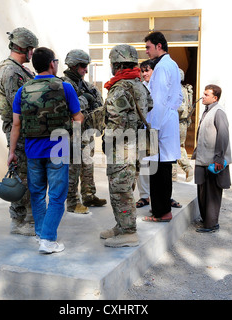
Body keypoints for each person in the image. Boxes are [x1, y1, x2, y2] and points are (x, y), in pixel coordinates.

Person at [8, 47, 83, 253]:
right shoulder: (66, 87)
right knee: (58, 195)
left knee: (38, 193)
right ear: (52, 64)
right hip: (58, 147)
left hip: (33, 149)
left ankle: (41, 233)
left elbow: (16, 124)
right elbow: (78, 119)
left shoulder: (22, 90)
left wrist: (11, 152)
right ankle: (48, 240)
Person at [100, 44, 153, 247]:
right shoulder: (139, 84)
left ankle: (128, 232)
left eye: (113, 63)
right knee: (126, 187)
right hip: (135, 143)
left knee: (120, 188)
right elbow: (150, 104)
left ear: (118, 64)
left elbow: (115, 120)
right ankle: (121, 226)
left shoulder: (120, 87)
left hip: (121, 146)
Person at [0, 27, 38, 236]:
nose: (33, 54)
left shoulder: (21, 69)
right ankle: (20, 220)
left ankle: (25, 217)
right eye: (31, 49)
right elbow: (18, 106)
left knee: (27, 174)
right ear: (24, 48)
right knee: (21, 175)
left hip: (27, 130)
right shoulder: (10, 71)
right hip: (18, 130)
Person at [142, 31, 182, 222]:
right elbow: (178, 97)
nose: (146, 52)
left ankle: (161, 212)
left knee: (158, 171)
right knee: (163, 169)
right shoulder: (172, 65)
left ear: (159, 46)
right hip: (168, 120)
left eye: (148, 47)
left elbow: (156, 100)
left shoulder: (162, 67)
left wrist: (153, 128)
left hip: (160, 123)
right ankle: (162, 209)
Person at [61, 49, 107, 214]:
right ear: (73, 66)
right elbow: (67, 108)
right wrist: (85, 100)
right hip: (72, 135)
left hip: (86, 133)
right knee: (73, 168)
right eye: (83, 66)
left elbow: (99, 103)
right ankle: (72, 202)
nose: (86, 70)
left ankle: (88, 195)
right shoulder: (63, 84)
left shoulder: (87, 85)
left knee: (88, 165)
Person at [192, 84, 231, 233]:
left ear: (215, 98)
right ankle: (206, 220)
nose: (203, 96)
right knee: (202, 191)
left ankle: (211, 224)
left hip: (213, 161)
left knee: (212, 193)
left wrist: (219, 158)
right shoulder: (207, 111)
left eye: (206, 94)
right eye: (203, 93)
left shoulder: (219, 112)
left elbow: (223, 135)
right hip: (203, 159)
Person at [135, 59, 154, 209]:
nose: (144, 74)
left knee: (157, 166)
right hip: (143, 130)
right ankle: (144, 196)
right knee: (144, 164)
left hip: (156, 130)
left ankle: (160, 195)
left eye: (147, 70)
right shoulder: (140, 87)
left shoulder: (159, 87)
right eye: (142, 71)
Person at [172, 68, 194, 182]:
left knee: (171, 147)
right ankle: (187, 169)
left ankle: (174, 174)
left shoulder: (176, 90)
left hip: (176, 122)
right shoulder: (185, 89)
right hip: (183, 123)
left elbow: (179, 108)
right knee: (179, 147)